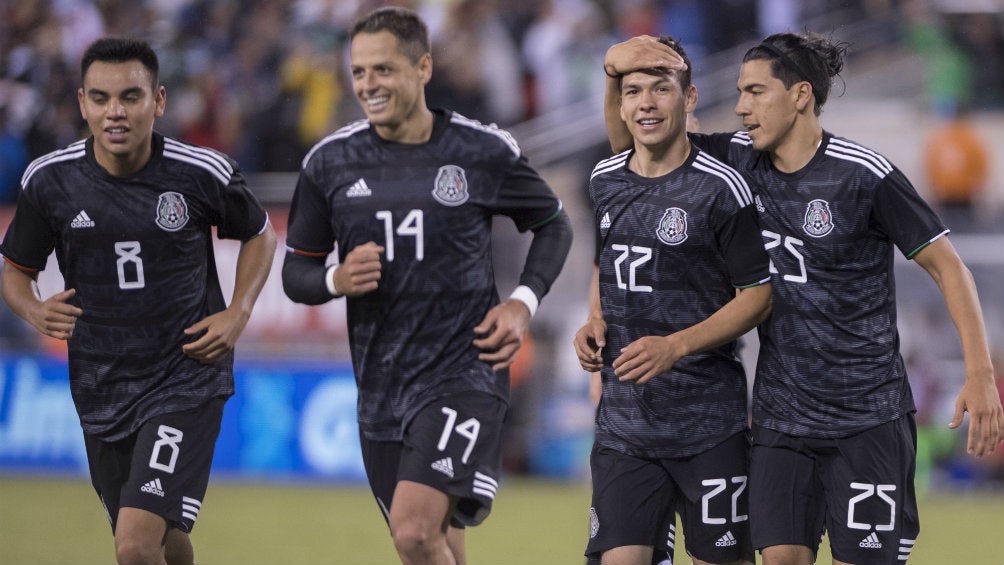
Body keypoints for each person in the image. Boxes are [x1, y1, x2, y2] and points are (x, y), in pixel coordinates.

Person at [603, 32, 1004, 565]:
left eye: (756, 92)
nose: (742, 107)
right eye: (740, 93)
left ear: (800, 95)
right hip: (780, 420)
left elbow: (949, 268)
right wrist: (617, 74)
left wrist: (980, 375)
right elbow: (635, 155)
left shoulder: (863, 174)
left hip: (868, 418)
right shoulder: (736, 161)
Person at [280, 7, 572, 565]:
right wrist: (335, 279)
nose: (368, 84)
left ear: (423, 68)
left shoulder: (481, 151)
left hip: (466, 370)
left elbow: (553, 224)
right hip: (381, 384)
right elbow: (297, 275)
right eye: (359, 71)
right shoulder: (329, 163)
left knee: (413, 533)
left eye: (383, 70)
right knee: (436, 543)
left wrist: (521, 302)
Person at [0, 38, 276, 565]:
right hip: (100, 384)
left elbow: (260, 234)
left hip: (186, 376)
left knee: (134, 544)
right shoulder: (50, 181)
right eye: (101, 98)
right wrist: (34, 309)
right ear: (82, 103)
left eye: (131, 96)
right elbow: (16, 273)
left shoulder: (199, 172)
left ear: (160, 100)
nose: (116, 112)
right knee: (161, 543)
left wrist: (238, 312)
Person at [573, 35, 771, 565]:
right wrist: (593, 320)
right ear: (620, 104)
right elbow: (606, 265)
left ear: (688, 99)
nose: (646, 103)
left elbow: (758, 296)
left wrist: (676, 346)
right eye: (633, 91)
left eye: (661, 89)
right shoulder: (603, 180)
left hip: (709, 424)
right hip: (625, 425)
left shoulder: (723, 187)